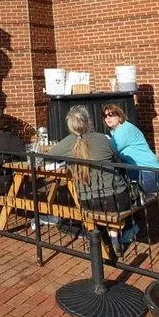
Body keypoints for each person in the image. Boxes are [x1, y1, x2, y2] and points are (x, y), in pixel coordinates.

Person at [49, 106, 134, 250]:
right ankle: (114, 237)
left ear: (70, 125)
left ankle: (98, 239)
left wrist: (67, 162)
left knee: (94, 207)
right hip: (117, 198)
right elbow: (117, 158)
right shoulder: (102, 138)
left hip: (88, 200)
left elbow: (47, 156)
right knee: (114, 201)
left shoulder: (68, 142)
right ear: (88, 121)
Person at [101, 104, 159, 194]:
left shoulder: (124, 129)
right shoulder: (117, 131)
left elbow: (110, 151)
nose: (108, 118)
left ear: (120, 116)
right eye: (105, 116)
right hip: (140, 171)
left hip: (148, 173)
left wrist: (103, 140)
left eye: (111, 114)